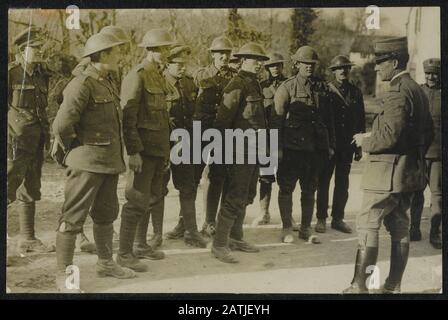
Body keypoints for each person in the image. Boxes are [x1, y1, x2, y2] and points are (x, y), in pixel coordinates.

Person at [344, 37, 433, 294]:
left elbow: (390, 136)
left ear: (394, 63)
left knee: (368, 223)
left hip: (386, 173)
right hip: (406, 173)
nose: (377, 68)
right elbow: (424, 134)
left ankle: (359, 286)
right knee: (399, 225)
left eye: (381, 63)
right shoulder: (416, 89)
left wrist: (365, 141)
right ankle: (393, 286)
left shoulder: (397, 92)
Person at [52, 31, 134, 293]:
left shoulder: (106, 82)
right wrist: (77, 150)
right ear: (103, 54)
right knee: (72, 219)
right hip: (87, 163)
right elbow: (62, 125)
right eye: (117, 51)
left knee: (106, 215)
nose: (120, 56)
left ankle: (106, 263)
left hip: (108, 162)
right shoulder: (82, 84)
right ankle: (64, 277)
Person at [117, 29, 175, 269]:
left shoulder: (159, 75)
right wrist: (133, 152)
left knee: (151, 199)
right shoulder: (137, 75)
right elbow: (128, 118)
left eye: (167, 48)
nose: (167, 53)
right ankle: (123, 253)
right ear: (152, 51)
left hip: (157, 150)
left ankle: (140, 245)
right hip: (142, 152)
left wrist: (166, 151)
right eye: (163, 49)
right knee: (136, 201)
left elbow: (161, 118)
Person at [211, 42, 269, 263]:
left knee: (247, 195)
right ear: (244, 60)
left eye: (261, 62)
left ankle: (236, 237)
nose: (259, 65)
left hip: (255, 149)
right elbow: (222, 122)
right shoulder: (236, 84)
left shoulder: (255, 84)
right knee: (235, 195)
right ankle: (219, 244)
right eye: (255, 61)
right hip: (239, 150)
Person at [272, 46, 335, 243]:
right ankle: (286, 228)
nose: (309, 67)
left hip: (313, 150)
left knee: (309, 190)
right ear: (297, 64)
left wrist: (329, 145)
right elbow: (277, 122)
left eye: (312, 64)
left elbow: (326, 120)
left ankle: (306, 228)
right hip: (291, 150)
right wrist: (277, 149)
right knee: (286, 189)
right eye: (305, 64)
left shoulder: (320, 88)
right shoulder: (287, 88)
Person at [8, 27, 55, 255]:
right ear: (20, 50)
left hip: (35, 140)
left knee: (30, 187)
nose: (39, 51)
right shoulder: (11, 73)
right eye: (34, 48)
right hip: (14, 141)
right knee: (7, 186)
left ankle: (27, 239)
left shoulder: (41, 73)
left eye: (39, 47)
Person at [156, 45, 208, 248]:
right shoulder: (159, 83)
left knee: (188, 187)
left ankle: (190, 231)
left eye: (184, 64)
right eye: (177, 64)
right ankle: (156, 234)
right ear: (167, 64)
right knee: (158, 188)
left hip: (185, 142)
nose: (182, 68)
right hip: (164, 143)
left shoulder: (189, 84)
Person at [316, 55, 366, 234]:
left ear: (349, 70)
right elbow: (321, 120)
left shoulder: (355, 92)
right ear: (334, 71)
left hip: (347, 145)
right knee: (323, 181)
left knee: (342, 183)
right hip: (330, 144)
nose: (343, 71)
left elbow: (360, 121)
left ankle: (338, 218)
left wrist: (359, 147)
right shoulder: (326, 91)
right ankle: (321, 218)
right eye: (339, 68)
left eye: (346, 68)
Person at [193, 36, 236, 237]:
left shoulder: (234, 77)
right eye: (220, 53)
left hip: (224, 133)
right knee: (193, 178)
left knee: (218, 175)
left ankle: (212, 221)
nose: (224, 57)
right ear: (212, 55)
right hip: (201, 132)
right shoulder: (200, 75)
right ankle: (186, 223)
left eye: (227, 53)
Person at [409, 58, 442, 249]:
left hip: (438, 153)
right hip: (419, 152)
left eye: (435, 73)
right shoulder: (418, 92)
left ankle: (435, 232)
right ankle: (414, 228)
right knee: (415, 192)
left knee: (437, 195)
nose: (432, 77)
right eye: (428, 73)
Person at [252, 53, 288, 226]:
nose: (275, 68)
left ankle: (287, 216)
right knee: (265, 176)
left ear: (282, 67)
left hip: (285, 136)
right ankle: (264, 212)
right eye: (271, 66)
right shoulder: (261, 87)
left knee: (286, 177)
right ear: (267, 68)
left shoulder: (289, 85)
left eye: (278, 65)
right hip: (266, 137)